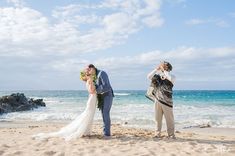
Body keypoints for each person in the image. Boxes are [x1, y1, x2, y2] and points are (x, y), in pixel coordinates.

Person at [33, 69, 97, 141]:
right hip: (92, 99)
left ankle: (86, 131)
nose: (90, 73)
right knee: (88, 114)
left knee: (89, 115)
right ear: (87, 75)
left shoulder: (89, 81)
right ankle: (83, 131)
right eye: (89, 73)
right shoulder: (89, 81)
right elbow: (91, 91)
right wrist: (96, 88)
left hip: (92, 99)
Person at [147, 61, 176, 139]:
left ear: (168, 68)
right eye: (163, 66)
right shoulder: (158, 76)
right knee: (157, 119)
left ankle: (171, 135)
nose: (163, 67)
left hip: (167, 102)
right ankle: (157, 133)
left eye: (165, 66)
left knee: (169, 119)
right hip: (157, 100)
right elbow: (149, 76)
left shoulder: (172, 76)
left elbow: (169, 78)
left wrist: (164, 70)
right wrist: (156, 69)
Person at [87, 64, 114, 138]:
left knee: (106, 113)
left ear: (93, 68)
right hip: (101, 97)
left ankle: (107, 134)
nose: (89, 72)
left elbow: (106, 86)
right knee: (103, 114)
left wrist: (96, 90)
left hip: (108, 95)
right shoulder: (95, 77)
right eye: (88, 71)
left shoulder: (102, 73)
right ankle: (105, 132)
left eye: (89, 70)